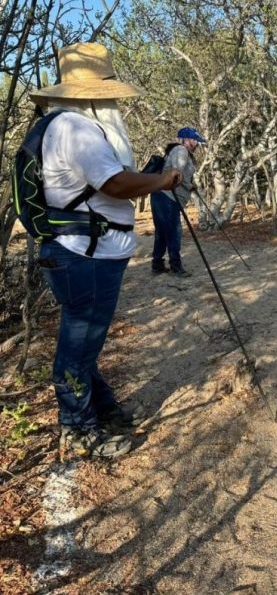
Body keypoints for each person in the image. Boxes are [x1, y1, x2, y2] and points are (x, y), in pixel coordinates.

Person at [29, 42, 182, 458]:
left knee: (85, 342)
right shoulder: (77, 128)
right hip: (85, 254)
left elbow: (107, 180)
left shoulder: (67, 124)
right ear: (100, 91)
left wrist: (147, 179)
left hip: (81, 251)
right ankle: (77, 431)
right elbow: (113, 184)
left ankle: (103, 409)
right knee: (78, 345)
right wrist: (162, 181)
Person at [150, 127, 206, 277]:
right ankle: (176, 266)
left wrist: (190, 184)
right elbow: (176, 175)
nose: (197, 145)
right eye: (195, 141)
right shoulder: (181, 150)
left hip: (163, 196)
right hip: (168, 197)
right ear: (186, 140)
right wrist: (189, 185)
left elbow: (179, 175)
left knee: (163, 232)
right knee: (174, 231)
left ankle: (157, 264)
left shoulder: (181, 152)